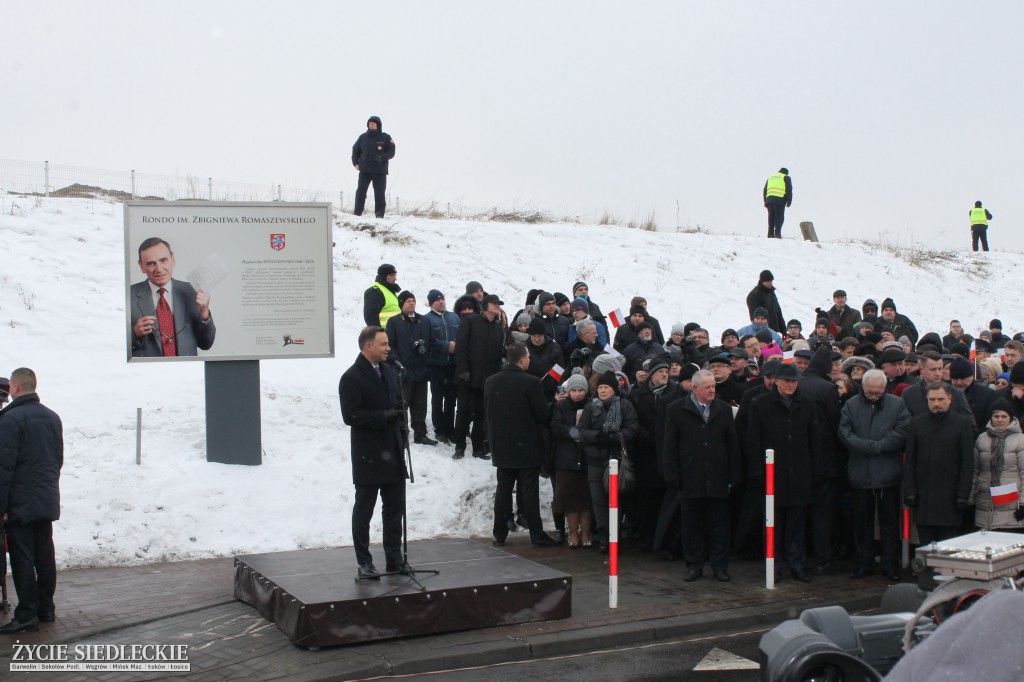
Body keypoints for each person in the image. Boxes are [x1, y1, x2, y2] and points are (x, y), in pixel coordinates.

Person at [339, 327, 408, 580]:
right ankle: (364, 562)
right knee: (365, 510)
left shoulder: (390, 371)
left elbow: (395, 402)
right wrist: (384, 416)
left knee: (394, 509)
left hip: (392, 450)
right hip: (369, 454)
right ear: (368, 347)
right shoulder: (352, 377)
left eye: (388, 343)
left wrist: (400, 411)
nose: (388, 348)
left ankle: (394, 558)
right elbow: (351, 416)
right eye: (383, 344)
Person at [662, 370, 742, 582]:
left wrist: (734, 475)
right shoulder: (677, 409)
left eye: (713, 386)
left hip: (718, 476)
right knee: (691, 524)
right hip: (690, 477)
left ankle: (719, 566)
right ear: (695, 388)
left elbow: (732, 445)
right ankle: (694, 565)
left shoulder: (723, 409)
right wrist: (672, 476)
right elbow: (670, 446)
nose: (712, 390)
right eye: (707, 387)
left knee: (720, 526)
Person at [0, 368, 63, 634]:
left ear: (15, 387)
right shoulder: (52, 417)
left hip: (19, 502)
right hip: (45, 497)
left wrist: (2, 505)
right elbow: (57, 460)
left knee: (23, 557)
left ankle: (26, 614)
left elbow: (4, 467)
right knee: (45, 554)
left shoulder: (10, 420)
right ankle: (45, 608)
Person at [747, 363, 820, 581]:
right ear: (776, 380)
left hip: (799, 472)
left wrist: (815, 470)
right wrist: (757, 471)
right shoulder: (759, 404)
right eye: (787, 380)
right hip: (772, 474)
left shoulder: (807, 403)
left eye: (794, 381)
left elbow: (814, 440)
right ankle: (775, 564)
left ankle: (797, 563)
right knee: (773, 522)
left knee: (797, 523)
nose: (791, 385)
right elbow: (753, 440)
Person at [839, 369, 910, 581]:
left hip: (888, 474)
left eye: (877, 393)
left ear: (884, 389)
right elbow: (845, 432)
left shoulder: (897, 405)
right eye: (869, 392)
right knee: (862, 523)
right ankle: (864, 562)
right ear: (862, 388)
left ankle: (889, 563)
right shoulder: (851, 405)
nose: (873, 396)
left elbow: (902, 431)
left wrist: (879, 446)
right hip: (860, 473)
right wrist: (867, 446)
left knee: (889, 523)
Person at [485, 343, 558, 547]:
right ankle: (536, 534)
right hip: (526, 446)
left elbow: (488, 412)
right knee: (529, 493)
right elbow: (542, 415)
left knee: (503, 491)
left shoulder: (491, 382)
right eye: (528, 357)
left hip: (501, 446)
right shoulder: (531, 382)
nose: (530, 360)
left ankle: (499, 534)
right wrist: (554, 404)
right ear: (522, 359)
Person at [903, 383, 974, 545]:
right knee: (927, 546)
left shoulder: (962, 424)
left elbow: (967, 463)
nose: (936, 404)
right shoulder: (916, 423)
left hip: (950, 497)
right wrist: (910, 491)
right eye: (932, 399)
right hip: (923, 497)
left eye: (941, 399)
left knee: (948, 547)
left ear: (950, 399)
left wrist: (963, 494)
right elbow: (910, 461)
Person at [579, 371, 639, 553]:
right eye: (600, 387)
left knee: (615, 500)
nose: (603, 391)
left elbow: (632, 429)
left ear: (614, 389)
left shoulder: (625, 405)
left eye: (606, 387)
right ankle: (604, 535)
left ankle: (615, 535)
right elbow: (581, 430)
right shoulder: (591, 407)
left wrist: (614, 437)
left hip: (616, 460)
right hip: (595, 460)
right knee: (598, 500)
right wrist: (597, 437)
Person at [129, 237, 215, 358]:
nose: (159, 269)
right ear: (141, 266)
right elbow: (110, 346)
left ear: (172, 259)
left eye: (163, 260)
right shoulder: (127, 295)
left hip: (186, 372)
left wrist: (204, 314)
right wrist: (135, 333)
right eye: (151, 263)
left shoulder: (192, 292)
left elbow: (206, 344)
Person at [453, 294, 506, 459]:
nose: (497, 306)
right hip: (467, 377)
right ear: (484, 306)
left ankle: (478, 447)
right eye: (494, 303)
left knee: (481, 414)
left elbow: (498, 356)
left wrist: (496, 378)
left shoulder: (498, 329)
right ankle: (459, 446)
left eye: (499, 304)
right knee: (463, 412)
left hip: (487, 379)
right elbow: (461, 347)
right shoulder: (470, 321)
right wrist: (463, 370)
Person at [385, 291, 437, 446]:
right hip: (404, 371)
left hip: (422, 370)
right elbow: (390, 345)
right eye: (408, 301)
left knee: (420, 405)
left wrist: (429, 358)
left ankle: (420, 434)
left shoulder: (424, 321)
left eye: (413, 300)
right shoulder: (394, 322)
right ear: (402, 304)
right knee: (402, 405)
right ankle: (401, 435)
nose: (412, 303)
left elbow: (432, 343)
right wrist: (395, 360)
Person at [550, 372, 593, 548]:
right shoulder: (560, 406)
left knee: (586, 499)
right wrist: (574, 431)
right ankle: (573, 533)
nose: (577, 394)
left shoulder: (591, 406)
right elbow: (556, 428)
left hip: (586, 458)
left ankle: (587, 533)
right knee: (569, 499)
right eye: (574, 390)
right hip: (566, 459)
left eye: (580, 390)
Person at [972, 398, 1024, 531]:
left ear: (1010, 418)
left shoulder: (1020, 440)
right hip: (985, 500)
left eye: (1004, 416)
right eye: (996, 416)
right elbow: (975, 470)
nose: (999, 420)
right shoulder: (982, 438)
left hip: (1011, 502)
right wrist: (971, 496)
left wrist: (1023, 503)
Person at [424, 289, 459, 444]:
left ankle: (450, 428)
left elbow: (463, 334)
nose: (441, 302)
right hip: (436, 365)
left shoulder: (454, 317)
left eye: (442, 299)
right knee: (437, 398)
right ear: (431, 303)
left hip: (452, 364)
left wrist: (457, 344)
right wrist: (445, 345)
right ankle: (440, 429)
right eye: (437, 300)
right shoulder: (427, 320)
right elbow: (428, 341)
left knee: (451, 399)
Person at [351, 115, 396, 218]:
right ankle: (357, 214)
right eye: (370, 124)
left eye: (373, 124)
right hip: (365, 171)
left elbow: (392, 151)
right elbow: (355, 150)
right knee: (360, 192)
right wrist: (356, 163)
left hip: (380, 171)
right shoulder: (362, 137)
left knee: (379, 194)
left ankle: (379, 216)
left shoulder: (385, 137)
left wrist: (382, 157)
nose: (371, 125)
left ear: (378, 125)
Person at [763, 167, 793, 238]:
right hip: (780, 200)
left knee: (771, 217)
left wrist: (765, 201)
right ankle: (777, 234)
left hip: (769, 200)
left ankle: (770, 234)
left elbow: (765, 190)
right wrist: (789, 201)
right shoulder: (786, 177)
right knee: (779, 217)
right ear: (785, 173)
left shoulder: (770, 178)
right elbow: (789, 189)